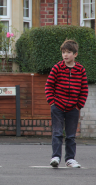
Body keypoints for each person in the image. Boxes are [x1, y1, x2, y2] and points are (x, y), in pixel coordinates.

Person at [45, 39, 88, 168]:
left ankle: (70, 159)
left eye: (68, 52)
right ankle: (56, 157)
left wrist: (78, 105)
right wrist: (52, 102)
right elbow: (49, 85)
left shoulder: (80, 70)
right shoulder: (57, 68)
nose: (65, 55)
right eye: (63, 52)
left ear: (75, 54)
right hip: (57, 106)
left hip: (73, 109)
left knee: (70, 136)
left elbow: (84, 89)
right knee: (57, 133)